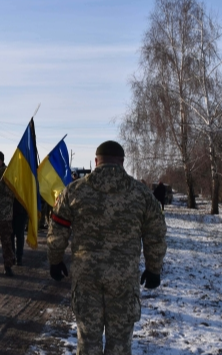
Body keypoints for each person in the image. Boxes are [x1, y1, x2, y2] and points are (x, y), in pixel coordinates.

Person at [47, 140, 167, 354]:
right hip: (123, 280)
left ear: (96, 161)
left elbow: (57, 230)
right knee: (119, 345)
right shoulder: (141, 194)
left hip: (86, 278)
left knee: (88, 343)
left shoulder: (74, 191)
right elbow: (155, 234)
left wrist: (55, 261)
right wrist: (154, 268)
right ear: (122, 162)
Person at [11, 198, 27, 266]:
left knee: (19, 235)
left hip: (21, 211)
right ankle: (12, 256)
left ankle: (19, 257)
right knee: (10, 235)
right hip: (10, 210)